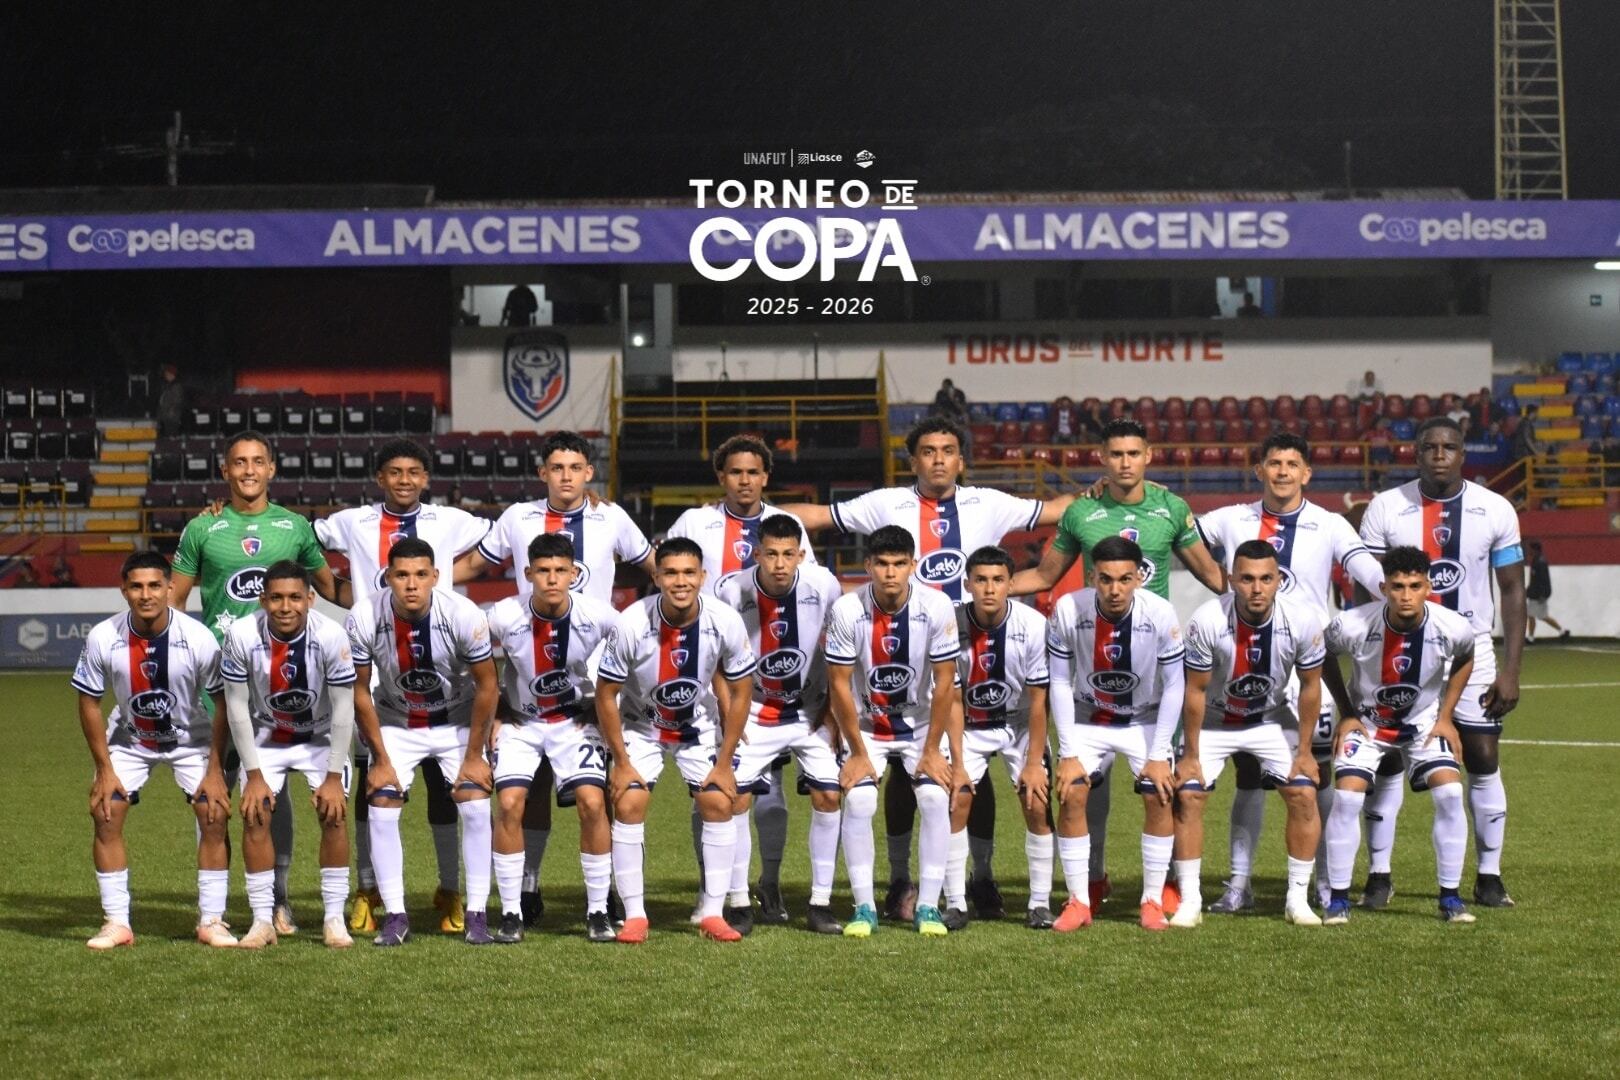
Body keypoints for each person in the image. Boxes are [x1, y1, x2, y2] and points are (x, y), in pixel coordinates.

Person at [781, 417, 1072, 924]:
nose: (939, 459)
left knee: (962, 773)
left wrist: (1113, 494)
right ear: (913, 459)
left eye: (949, 450)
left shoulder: (990, 502)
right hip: (906, 648)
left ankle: (977, 880)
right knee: (901, 772)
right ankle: (900, 882)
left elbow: (1057, 509)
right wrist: (750, 514)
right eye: (929, 451)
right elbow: (821, 517)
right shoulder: (885, 503)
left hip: (965, 633)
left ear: (961, 459)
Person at [1011, 417, 1224, 909]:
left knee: (1162, 784)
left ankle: (1168, 881)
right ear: (1102, 458)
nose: (1125, 463)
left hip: (1153, 671)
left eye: (1134, 453)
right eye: (1116, 454)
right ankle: (1095, 875)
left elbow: (1213, 575)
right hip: (1097, 664)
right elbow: (1044, 575)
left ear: (1148, 456)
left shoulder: (1172, 508)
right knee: (1089, 784)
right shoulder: (1083, 512)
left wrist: (1275, 596)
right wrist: (984, 589)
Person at [458, 430, 655, 924]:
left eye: (575, 468)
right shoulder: (518, 518)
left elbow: (656, 563)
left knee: (596, 794)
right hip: (529, 688)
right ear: (543, 473)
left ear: (589, 473)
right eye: (557, 468)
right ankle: (527, 888)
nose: (566, 477)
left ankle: (602, 894)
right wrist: (417, 583)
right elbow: (475, 565)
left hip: (592, 690)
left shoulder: (612, 517)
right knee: (531, 790)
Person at [1194, 433, 1386, 911]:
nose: (1282, 471)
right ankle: (1239, 884)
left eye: (1292, 463)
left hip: (1308, 669)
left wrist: (1402, 592)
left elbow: (1365, 569)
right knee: (1247, 776)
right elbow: (1181, 536)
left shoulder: (1330, 524)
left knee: (1313, 774)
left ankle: (1322, 881)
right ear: (1259, 470)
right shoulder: (1230, 518)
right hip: (1243, 660)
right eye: (1273, 463)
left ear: (1307, 474)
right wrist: (1219, 583)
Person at [315, 438, 492, 936]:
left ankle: (460, 899)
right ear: (379, 478)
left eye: (414, 471)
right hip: (392, 710)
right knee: (378, 792)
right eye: (394, 472)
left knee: (463, 797)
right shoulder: (354, 533)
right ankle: (378, 900)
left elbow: (506, 539)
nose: (405, 480)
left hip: (450, 708)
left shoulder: (460, 588)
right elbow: (304, 541)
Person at [170, 430, 340, 936]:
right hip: (219, 685)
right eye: (238, 462)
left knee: (273, 793)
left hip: (284, 684)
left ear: (272, 469)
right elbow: (175, 604)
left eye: (257, 461)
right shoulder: (202, 529)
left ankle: (277, 902)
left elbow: (332, 589)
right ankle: (215, 910)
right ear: (225, 471)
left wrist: (394, 591)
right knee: (215, 797)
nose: (248, 470)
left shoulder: (294, 527)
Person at [1358, 416, 1525, 908]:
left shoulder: (1494, 508)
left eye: (1448, 447)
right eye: (1429, 446)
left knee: (1482, 757)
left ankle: (1489, 876)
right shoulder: (1386, 508)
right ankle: (1378, 874)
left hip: (1471, 650)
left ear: (1462, 454)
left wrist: (1512, 669)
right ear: (1415, 453)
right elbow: (1367, 586)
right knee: (1386, 759)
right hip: (1398, 649)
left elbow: (1512, 590)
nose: (1438, 454)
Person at [667, 433, 820, 925]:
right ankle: (717, 892)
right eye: (735, 472)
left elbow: (808, 592)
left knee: (770, 796)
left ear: (766, 477)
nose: (745, 480)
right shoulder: (696, 522)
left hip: (777, 684)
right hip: (712, 682)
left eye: (753, 472)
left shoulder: (787, 526)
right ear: (721, 477)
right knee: (715, 791)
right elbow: (663, 565)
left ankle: (768, 886)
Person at [594, 537, 758, 943]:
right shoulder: (632, 622)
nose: (680, 581)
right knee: (630, 801)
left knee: (719, 801)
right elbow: (605, 694)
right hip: (640, 726)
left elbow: (741, 691)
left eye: (689, 573)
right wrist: (621, 761)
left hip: (695, 725)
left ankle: (713, 913)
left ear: (702, 576)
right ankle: (635, 916)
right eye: (670, 573)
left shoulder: (725, 620)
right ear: (657, 576)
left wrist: (724, 761)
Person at [71, 550, 232, 950]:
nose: (146, 594)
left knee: (213, 815)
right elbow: (89, 702)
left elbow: (223, 702)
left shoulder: (197, 637)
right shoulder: (103, 637)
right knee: (106, 813)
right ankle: (116, 923)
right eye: (137, 586)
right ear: (124, 590)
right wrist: (104, 769)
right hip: (130, 740)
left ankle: (212, 920)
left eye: (155, 585)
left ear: (170, 588)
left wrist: (215, 769)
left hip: (189, 740)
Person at [347, 538, 499, 945]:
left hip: (454, 722)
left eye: (420, 575)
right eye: (401, 575)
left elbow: (488, 686)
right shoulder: (364, 616)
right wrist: (378, 758)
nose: (411, 584)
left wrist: (474, 756)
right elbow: (359, 691)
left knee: (476, 802)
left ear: (435, 576)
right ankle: (396, 915)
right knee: (380, 801)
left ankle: (477, 913)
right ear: (387, 578)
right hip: (396, 722)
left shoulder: (463, 615)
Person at [1319, 545, 1479, 925]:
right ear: (1384, 587)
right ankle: (1339, 901)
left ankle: (1451, 899)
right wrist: (1347, 713)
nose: (1405, 596)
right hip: (1369, 726)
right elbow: (1323, 654)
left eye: (1414, 586)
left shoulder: (1451, 626)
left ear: (1428, 587)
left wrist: (1446, 716)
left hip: (1423, 724)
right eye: (1396, 587)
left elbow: (1466, 655)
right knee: (1346, 797)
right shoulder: (1353, 623)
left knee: (1451, 792)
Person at [1173, 540, 1327, 927]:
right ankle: (1190, 900)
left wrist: (1305, 751)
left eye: (1265, 579)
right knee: (1189, 798)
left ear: (1279, 581)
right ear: (1231, 580)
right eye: (1246, 579)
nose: (1256, 588)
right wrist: (1190, 755)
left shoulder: (1303, 620)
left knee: (1303, 793)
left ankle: (1296, 900)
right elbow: (1193, 691)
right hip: (1213, 721)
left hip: (1270, 718)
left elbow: (1311, 688)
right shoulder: (1207, 620)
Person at [824, 525, 963, 937]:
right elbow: (838, 685)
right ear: (867, 565)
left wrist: (933, 751)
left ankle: (928, 908)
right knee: (862, 801)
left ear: (913, 566)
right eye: (881, 564)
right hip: (867, 727)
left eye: (899, 564)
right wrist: (857, 753)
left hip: (920, 726)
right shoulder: (848, 610)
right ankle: (864, 907)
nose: (890, 573)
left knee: (937, 800)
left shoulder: (936, 607)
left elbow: (945, 684)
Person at [1045, 536, 1186, 932]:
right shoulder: (1068, 609)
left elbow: (1175, 686)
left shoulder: (1160, 613)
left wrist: (1159, 754)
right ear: (1092, 577)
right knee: (1072, 791)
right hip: (1090, 718)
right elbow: (1059, 682)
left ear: (1139, 578)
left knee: (1159, 795)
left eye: (1125, 579)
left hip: (1144, 720)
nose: (1115, 589)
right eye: (1105, 579)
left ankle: (1152, 901)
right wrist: (1068, 751)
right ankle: (1078, 902)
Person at [716, 514, 847, 934]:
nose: (778, 563)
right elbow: (714, 658)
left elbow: (837, 647)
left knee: (829, 797)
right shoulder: (729, 590)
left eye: (788, 554)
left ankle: (820, 903)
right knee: (735, 799)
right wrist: (728, 713)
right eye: (770, 554)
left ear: (801, 555)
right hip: (752, 711)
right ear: (756, 553)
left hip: (808, 711)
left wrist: (832, 711)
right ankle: (738, 901)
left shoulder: (823, 585)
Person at [485, 534, 619, 943]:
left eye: (561, 570)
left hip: (574, 722)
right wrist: (495, 714)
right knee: (509, 803)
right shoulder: (502, 615)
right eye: (543, 571)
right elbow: (473, 662)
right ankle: (511, 912)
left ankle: (597, 910)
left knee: (593, 803)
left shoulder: (599, 615)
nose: (552, 578)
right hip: (521, 725)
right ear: (528, 575)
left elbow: (634, 656)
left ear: (575, 574)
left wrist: (605, 704)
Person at [221, 561, 358, 949]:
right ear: (263, 599)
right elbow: (236, 706)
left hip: (320, 737)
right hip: (266, 735)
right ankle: (262, 920)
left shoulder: (332, 635)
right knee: (255, 814)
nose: (286, 606)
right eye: (277, 598)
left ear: (310, 599)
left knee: (333, 815)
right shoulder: (241, 634)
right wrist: (254, 775)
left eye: (295, 597)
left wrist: (333, 777)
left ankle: (333, 919)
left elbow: (344, 709)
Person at [950, 546, 1055, 930]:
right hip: (970, 725)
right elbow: (952, 699)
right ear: (968, 584)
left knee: (1037, 801)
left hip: (1020, 726)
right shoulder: (952, 622)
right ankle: (956, 902)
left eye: (997, 580)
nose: (989, 589)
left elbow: (1040, 701)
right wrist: (958, 765)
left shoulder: (1032, 625)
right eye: (981, 580)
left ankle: (1039, 903)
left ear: (1011, 584)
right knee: (955, 797)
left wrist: (1032, 764)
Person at [1523, 540, 1569, 642]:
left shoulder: (1540, 562)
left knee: (1538, 616)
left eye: (1530, 549)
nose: (1528, 551)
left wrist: (1544, 594)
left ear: (1535, 550)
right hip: (1535, 594)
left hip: (1538, 595)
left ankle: (1561, 631)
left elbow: (1544, 580)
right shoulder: (1536, 561)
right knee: (1536, 615)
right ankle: (1561, 631)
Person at [156, 363, 186, 439]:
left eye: (167, 374)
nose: (165, 376)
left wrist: (171, 410)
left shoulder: (176, 386)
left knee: (171, 437)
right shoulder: (167, 385)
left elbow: (177, 400)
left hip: (171, 417)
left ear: (172, 375)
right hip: (165, 416)